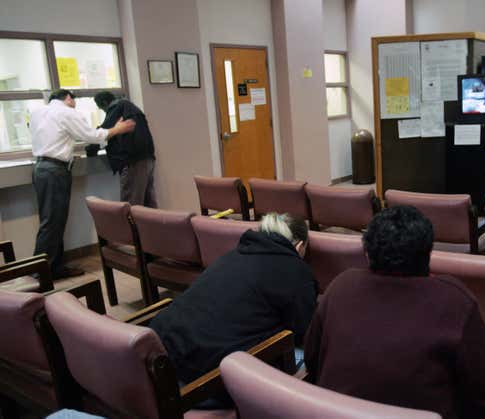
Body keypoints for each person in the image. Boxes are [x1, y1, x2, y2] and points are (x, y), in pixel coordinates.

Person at [304, 206, 485, 419]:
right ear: (428, 254)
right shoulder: (455, 301)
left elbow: (312, 360)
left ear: (366, 254)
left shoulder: (341, 286)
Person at [149, 213, 317, 408]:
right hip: (208, 381)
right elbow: (305, 330)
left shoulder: (232, 255)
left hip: (161, 362)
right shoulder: (295, 269)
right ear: (299, 246)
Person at [30, 89, 135, 279]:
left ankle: (53, 267)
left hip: (41, 169)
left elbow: (54, 137)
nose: (75, 104)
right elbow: (91, 136)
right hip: (55, 170)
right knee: (53, 222)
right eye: (74, 100)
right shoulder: (66, 112)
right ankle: (41, 274)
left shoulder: (38, 112)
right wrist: (117, 129)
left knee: (52, 220)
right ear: (68, 98)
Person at [93, 91, 157, 207]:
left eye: (100, 107)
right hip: (147, 159)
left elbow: (104, 131)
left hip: (133, 162)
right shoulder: (130, 107)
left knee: (131, 206)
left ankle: (132, 226)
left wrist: (90, 148)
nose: (103, 111)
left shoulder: (117, 107)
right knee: (148, 204)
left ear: (104, 103)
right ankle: (154, 226)